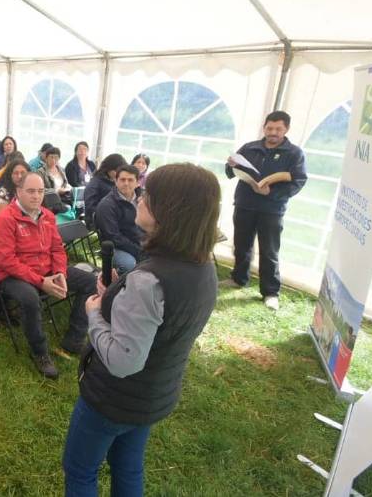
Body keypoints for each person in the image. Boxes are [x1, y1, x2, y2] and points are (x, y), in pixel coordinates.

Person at [61, 163, 221, 497]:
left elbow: (123, 361)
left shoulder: (151, 280)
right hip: (152, 395)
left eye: (148, 195)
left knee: (80, 471)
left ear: (170, 210)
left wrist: (95, 314)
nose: (139, 197)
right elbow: (164, 324)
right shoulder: (204, 267)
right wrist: (119, 297)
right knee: (128, 467)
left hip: (113, 398)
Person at [0, 173, 98, 379]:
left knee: (90, 281)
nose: (36, 196)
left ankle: (74, 339)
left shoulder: (47, 215)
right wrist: (41, 282)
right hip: (13, 276)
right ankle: (40, 352)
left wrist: (60, 272)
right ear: (18, 192)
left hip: (47, 270)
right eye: (31, 191)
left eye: (40, 191)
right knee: (30, 298)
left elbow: (57, 248)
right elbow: (6, 261)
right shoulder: (4, 220)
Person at [224, 110, 307, 311]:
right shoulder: (250, 147)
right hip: (244, 204)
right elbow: (230, 173)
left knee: (269, 250)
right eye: (270, 128)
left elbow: (298, 181)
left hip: (272, 210)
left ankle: (270, 292)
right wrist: (230, 165)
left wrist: (271, 193)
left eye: (278, 129)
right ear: (264, 128)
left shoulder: (294, 153)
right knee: (241, 244)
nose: (273, 132)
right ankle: (238, 278)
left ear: (286, 129)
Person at [95, 165, 145, 274]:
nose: (126, 183)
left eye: (130, 180)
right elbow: (113, 237)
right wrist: (139, 251)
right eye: (122, 179)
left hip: (140, 243)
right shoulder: (107, 205)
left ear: (137, 183)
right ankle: (119, 287)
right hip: (117, 247)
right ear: (116, 181)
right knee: (129, 265)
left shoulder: (142, 200)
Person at [84, 153, 128, 228]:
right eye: (116, 171)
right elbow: (90, 207)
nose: (119, 174)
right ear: (109, 168)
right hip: (100, 223)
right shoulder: (95, 183)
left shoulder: (115, 182)